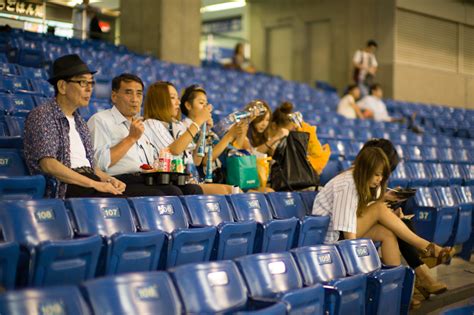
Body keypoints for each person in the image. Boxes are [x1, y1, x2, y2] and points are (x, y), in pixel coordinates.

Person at [312, 146, 454, 267]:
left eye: (382, 175)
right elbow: (347, 231)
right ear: (365, 170)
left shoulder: (362, 182)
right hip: (329, 238)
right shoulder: (347, 184)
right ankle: (427, 247)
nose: (380, 179)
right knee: (379, 209)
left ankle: (395, 283)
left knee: (387, 233)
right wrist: (357, 265)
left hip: (343, 233)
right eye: (377, 175)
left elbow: (358, 214)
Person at [24, 54, 125, 199]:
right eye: (83, 83)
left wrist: (108, 179)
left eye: (91, 83)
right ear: (62, 86)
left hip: (86, 181)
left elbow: (88, 166)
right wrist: (94, 184)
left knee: (127, 202)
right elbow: (49, 164)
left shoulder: (80, 122)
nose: (89, 89)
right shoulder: (43, 115)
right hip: (64, 187)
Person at [362, 139, 447, 307]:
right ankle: (422, 272)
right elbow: (357, 210)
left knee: (401, 221)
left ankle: (413, 282)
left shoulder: (374, 181)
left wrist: (388, 206)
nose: (382, 176)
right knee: (395, 225)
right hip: (352, 226)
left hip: (366, 220)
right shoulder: (353, 178)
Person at [87, 73, 203, 196]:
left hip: (146, 178)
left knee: (192, 190)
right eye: (128, 92)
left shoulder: (142, 125)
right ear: (114, 96)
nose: (135, 99)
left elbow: (152, 161)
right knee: (169, 194)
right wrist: (131, 138)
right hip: (118, 180)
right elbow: (98, 164)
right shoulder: (100, 120)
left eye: (139, 93)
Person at [143, 82, 240, 194]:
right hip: (172, 182)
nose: (178, 102)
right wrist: (198, 121)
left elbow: (196, 161)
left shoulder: (177, 124)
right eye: (173, 98)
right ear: (159, 100)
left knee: (235, 190)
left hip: (190, 180)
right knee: (230, 191)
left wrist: (204, 130)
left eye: (178, 98)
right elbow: (174, 150)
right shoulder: (151, 124)